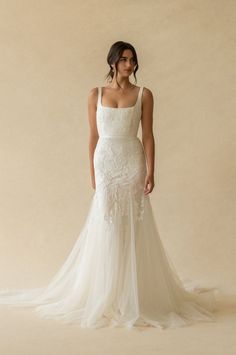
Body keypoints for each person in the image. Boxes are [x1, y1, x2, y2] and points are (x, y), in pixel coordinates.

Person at [0, 41, 218, 330]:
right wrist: (92, 171)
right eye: (124, 60)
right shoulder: (96, 94)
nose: (130, 65)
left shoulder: (144, 94)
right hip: (106, 163)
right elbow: (92, 136)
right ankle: (107, 293)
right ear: (113, 62)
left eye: (133, 60)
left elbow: (149, 136)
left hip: (132, 161)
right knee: (108, 223)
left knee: (133, 224)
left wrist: (152, 170)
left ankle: (133, 295)